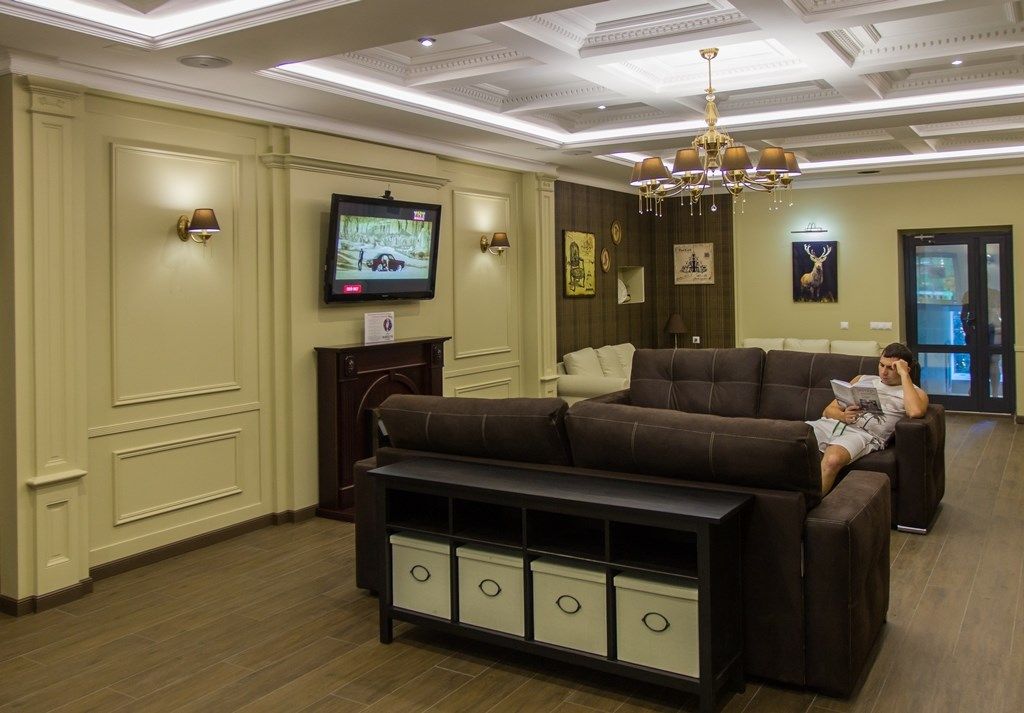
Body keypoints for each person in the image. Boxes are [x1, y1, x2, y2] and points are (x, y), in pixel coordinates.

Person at [807, 343, 929, 495]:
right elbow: (827, 411)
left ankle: (810, 505)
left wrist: (904, 375)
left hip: (863, 435)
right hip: (832, 424)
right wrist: (843, 415)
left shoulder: (915, 393)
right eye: (881, 365)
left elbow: (915, 412)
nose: (884, 372)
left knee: (832, 460)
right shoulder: (861, 379)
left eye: (891, 368)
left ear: (904, 369)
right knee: (789, 441)